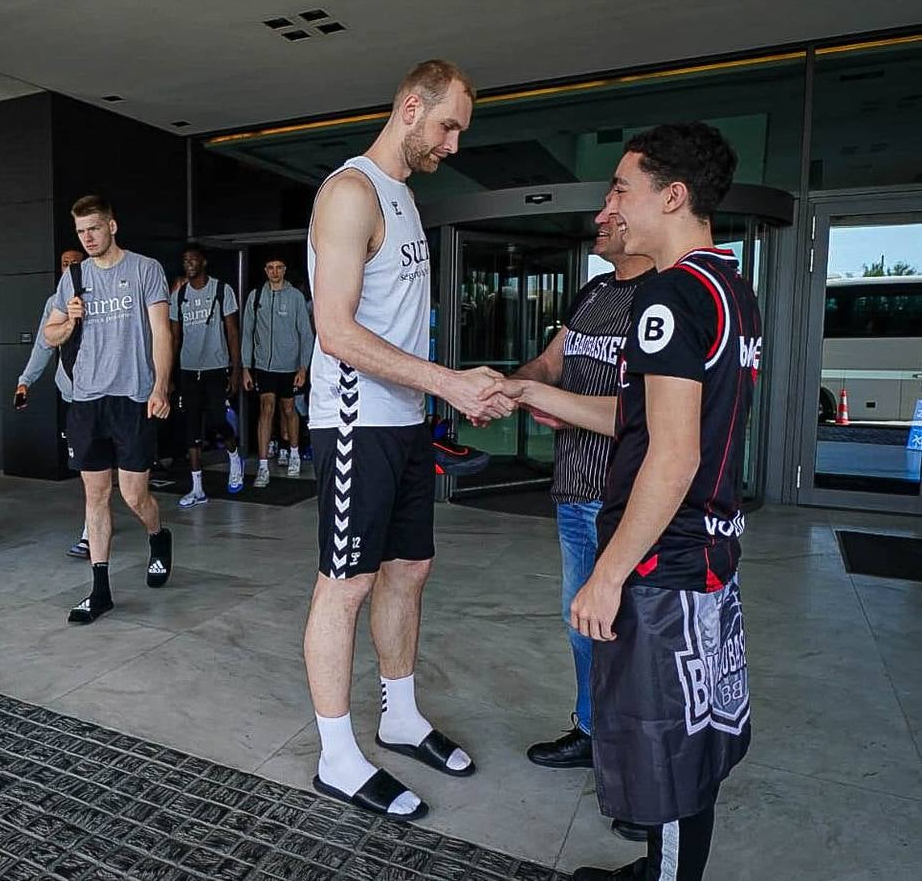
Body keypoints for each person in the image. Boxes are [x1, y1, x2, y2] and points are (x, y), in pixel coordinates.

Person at [497, 123, 759, 880]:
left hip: (665, 561)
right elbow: (642, 421)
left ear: (671, 196)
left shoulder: (671, 295)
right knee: (691, 730)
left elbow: (673, 455)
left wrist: (607, 575)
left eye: (622, 187)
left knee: (665, 750)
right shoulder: (728, 289)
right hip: (708, 551)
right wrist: (530, 389)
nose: (610, 202)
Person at [302, 60, 511, 821]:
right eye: (449, 125)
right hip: (356, 421)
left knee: (409, 569)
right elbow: (335, 330)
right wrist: (447, 383)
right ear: (411, 106)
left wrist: (442, 390)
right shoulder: (351, 192)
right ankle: (336, 755)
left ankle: (399, 713)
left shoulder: (404, 197)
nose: (453, 143)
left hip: (404, 422)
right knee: (346, 582)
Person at [514, 220, 655, 842]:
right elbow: (549, 363)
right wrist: (513, 385)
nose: (601, 217)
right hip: (574, 493)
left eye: (616, 200)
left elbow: (645, 416)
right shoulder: (592, 293)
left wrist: (553, 403)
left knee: (630, 639)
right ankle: (594, 733)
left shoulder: (664, 301)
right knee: (583, 628)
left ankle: (639, 775)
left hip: (627, 502)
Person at [43, 195, 174, 624]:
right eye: (81, 231)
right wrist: (70, 320)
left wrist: (161, 385)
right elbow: (49, 336)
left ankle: (158, 536)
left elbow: (160, 332)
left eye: (94, 229)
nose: (88, 238)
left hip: (133, 397)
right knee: (95, 496)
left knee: (135, 495)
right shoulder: (74, 276)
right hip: (86, 400)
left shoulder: (145, 269)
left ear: (112, 226)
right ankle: (100, 590)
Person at [17, 249, 91, 558]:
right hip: (73, 394)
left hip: (106, 394)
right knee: (88, 465)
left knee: (109, 471)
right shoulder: (54, 304)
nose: (71, 268)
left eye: (76, 263)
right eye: (65, 264)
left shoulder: (101, 295)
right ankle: (92, 529)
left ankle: (94, 529)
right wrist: (25, 381)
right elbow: (43, 346)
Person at [169, 244, 244, 507]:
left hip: (215, 367)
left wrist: (235, 370)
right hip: (189, 370)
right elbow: (175, 337)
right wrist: (168, 374)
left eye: (193, 259)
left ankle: (234, 456)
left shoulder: (222, 290)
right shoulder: (178, 296)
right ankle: (197, 488)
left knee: (217, 421)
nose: (188, 264)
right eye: (185, 260)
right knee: (191, 427)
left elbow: (233, 332)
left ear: (203, 262)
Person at [241, 258, 314, 487]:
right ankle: (263, 467)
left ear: (284, 270)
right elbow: (247, 333)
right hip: (264, 365)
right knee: (266, 409)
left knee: (289, 409)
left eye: (279, 267)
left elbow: (305, 333)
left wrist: (304, 367)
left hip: (290, 365)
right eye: (270, 267)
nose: (274, 271)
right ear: (265, 270)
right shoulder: (256, 297)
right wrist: (245, 367)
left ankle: (294, 454)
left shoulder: (295, 297)